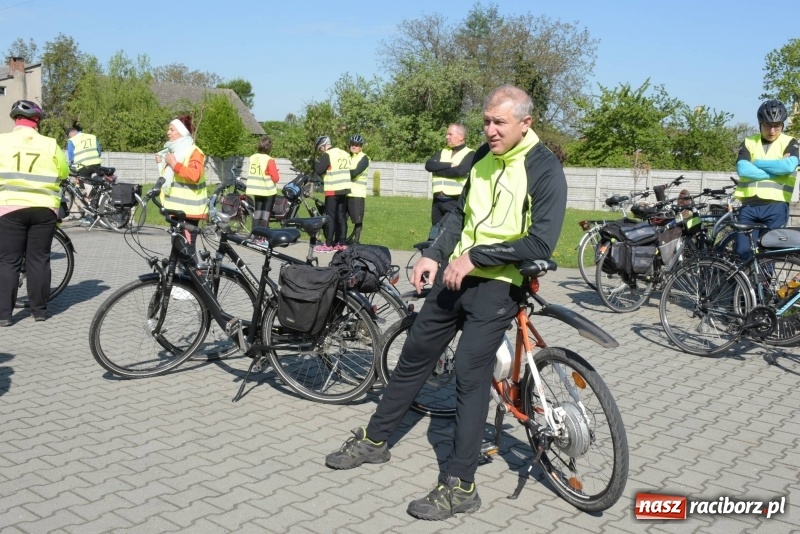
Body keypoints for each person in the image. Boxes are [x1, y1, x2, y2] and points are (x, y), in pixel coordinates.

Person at [325, 85, 568, 520]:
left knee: (468, 376)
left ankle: (461, 485)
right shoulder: (480, 157)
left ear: (525, 123)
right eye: (487, 122)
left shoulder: (544, 168)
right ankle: (376, 440)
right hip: (456, 275)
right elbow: (459, 215)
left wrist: (476, 258)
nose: (491, 130)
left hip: (499, 284)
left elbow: (541, 241)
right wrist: (434, 255)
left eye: (500, 123)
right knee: (414, 355)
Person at [0, 100, 70, 326]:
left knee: (9, 262)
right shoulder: (50, 144)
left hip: (10, 207)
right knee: (39, 259)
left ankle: (4, 316)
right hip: (44, 208)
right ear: (37, 121)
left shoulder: (2, 141)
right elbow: (64, 171)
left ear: (15, 120)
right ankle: (39, 311)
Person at [734, 99, 799, 260]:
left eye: (777, 126)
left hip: (775, 207)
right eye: (767, 125)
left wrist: (756, 162)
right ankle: (744, 286)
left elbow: (788, 167)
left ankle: (764, 286)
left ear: (782, 125)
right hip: (749, 206)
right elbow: (743, 169)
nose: (772, 130)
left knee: (768, 255)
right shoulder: (749, 142)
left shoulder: (790, 142)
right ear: (760, 124)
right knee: (743, 253)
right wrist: (775, 171)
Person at [154, 115, 209, 243]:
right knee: (178, 250)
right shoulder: (176, 151)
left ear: (182, 132)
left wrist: (174, 164)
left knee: (187, 252)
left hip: (188, 212)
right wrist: (162, 163)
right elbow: (171, 178)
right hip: (176, 211)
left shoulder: (194, 152)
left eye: (172, 130)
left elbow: (195, 175)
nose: (168, 133)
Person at [424, 123, 474, 225]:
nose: (447, 137)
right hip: (437, 201)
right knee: (434, 233)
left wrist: (438, 170)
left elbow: (459, 171)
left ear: (461, 136)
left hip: (454, 201)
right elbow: (429, 165)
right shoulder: (442, 152)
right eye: (447, 134)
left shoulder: (470, 153)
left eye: (450, 134)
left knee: (443, 231)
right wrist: (450, 164)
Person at [314, 135, 350, 252]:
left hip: (333, 189)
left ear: (324, 146)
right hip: (344, 189)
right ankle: (342, 243)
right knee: (341, 216)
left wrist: (316, 163)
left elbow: (319, 170)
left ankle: (328, 244)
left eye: (320, 149)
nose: (320, 151)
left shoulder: (328, 155)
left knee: (330, 217)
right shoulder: (344, 153)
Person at [66, 123, 103, 225]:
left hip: (83, 167)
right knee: (98, 187)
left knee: (86, 190)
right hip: (96, 164)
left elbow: (71, 158)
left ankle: (91, 215)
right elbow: (99, 151)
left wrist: (70, 166)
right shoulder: (92, 136)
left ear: (70, 134)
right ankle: (101, 203)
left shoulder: (72, 140)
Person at [246, 135, 280, 237]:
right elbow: (276, 178)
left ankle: (255, 235)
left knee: (257, 212)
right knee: (266, 213)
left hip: (256, 189)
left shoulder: (253, 157)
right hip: (268, 190)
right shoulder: (269, 159)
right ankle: (263, 237)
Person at [347, 134, 369, 244]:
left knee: (357, 220)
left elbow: (355, 173)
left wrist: (341, 173)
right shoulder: (347, 157)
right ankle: (342, 240)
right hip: (345, 193)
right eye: (352, 144)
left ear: (361, 147)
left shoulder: (364, 158)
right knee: (341, 218)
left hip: (357, 194)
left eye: (357, 145)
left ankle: (356, 241)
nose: (354, 146)